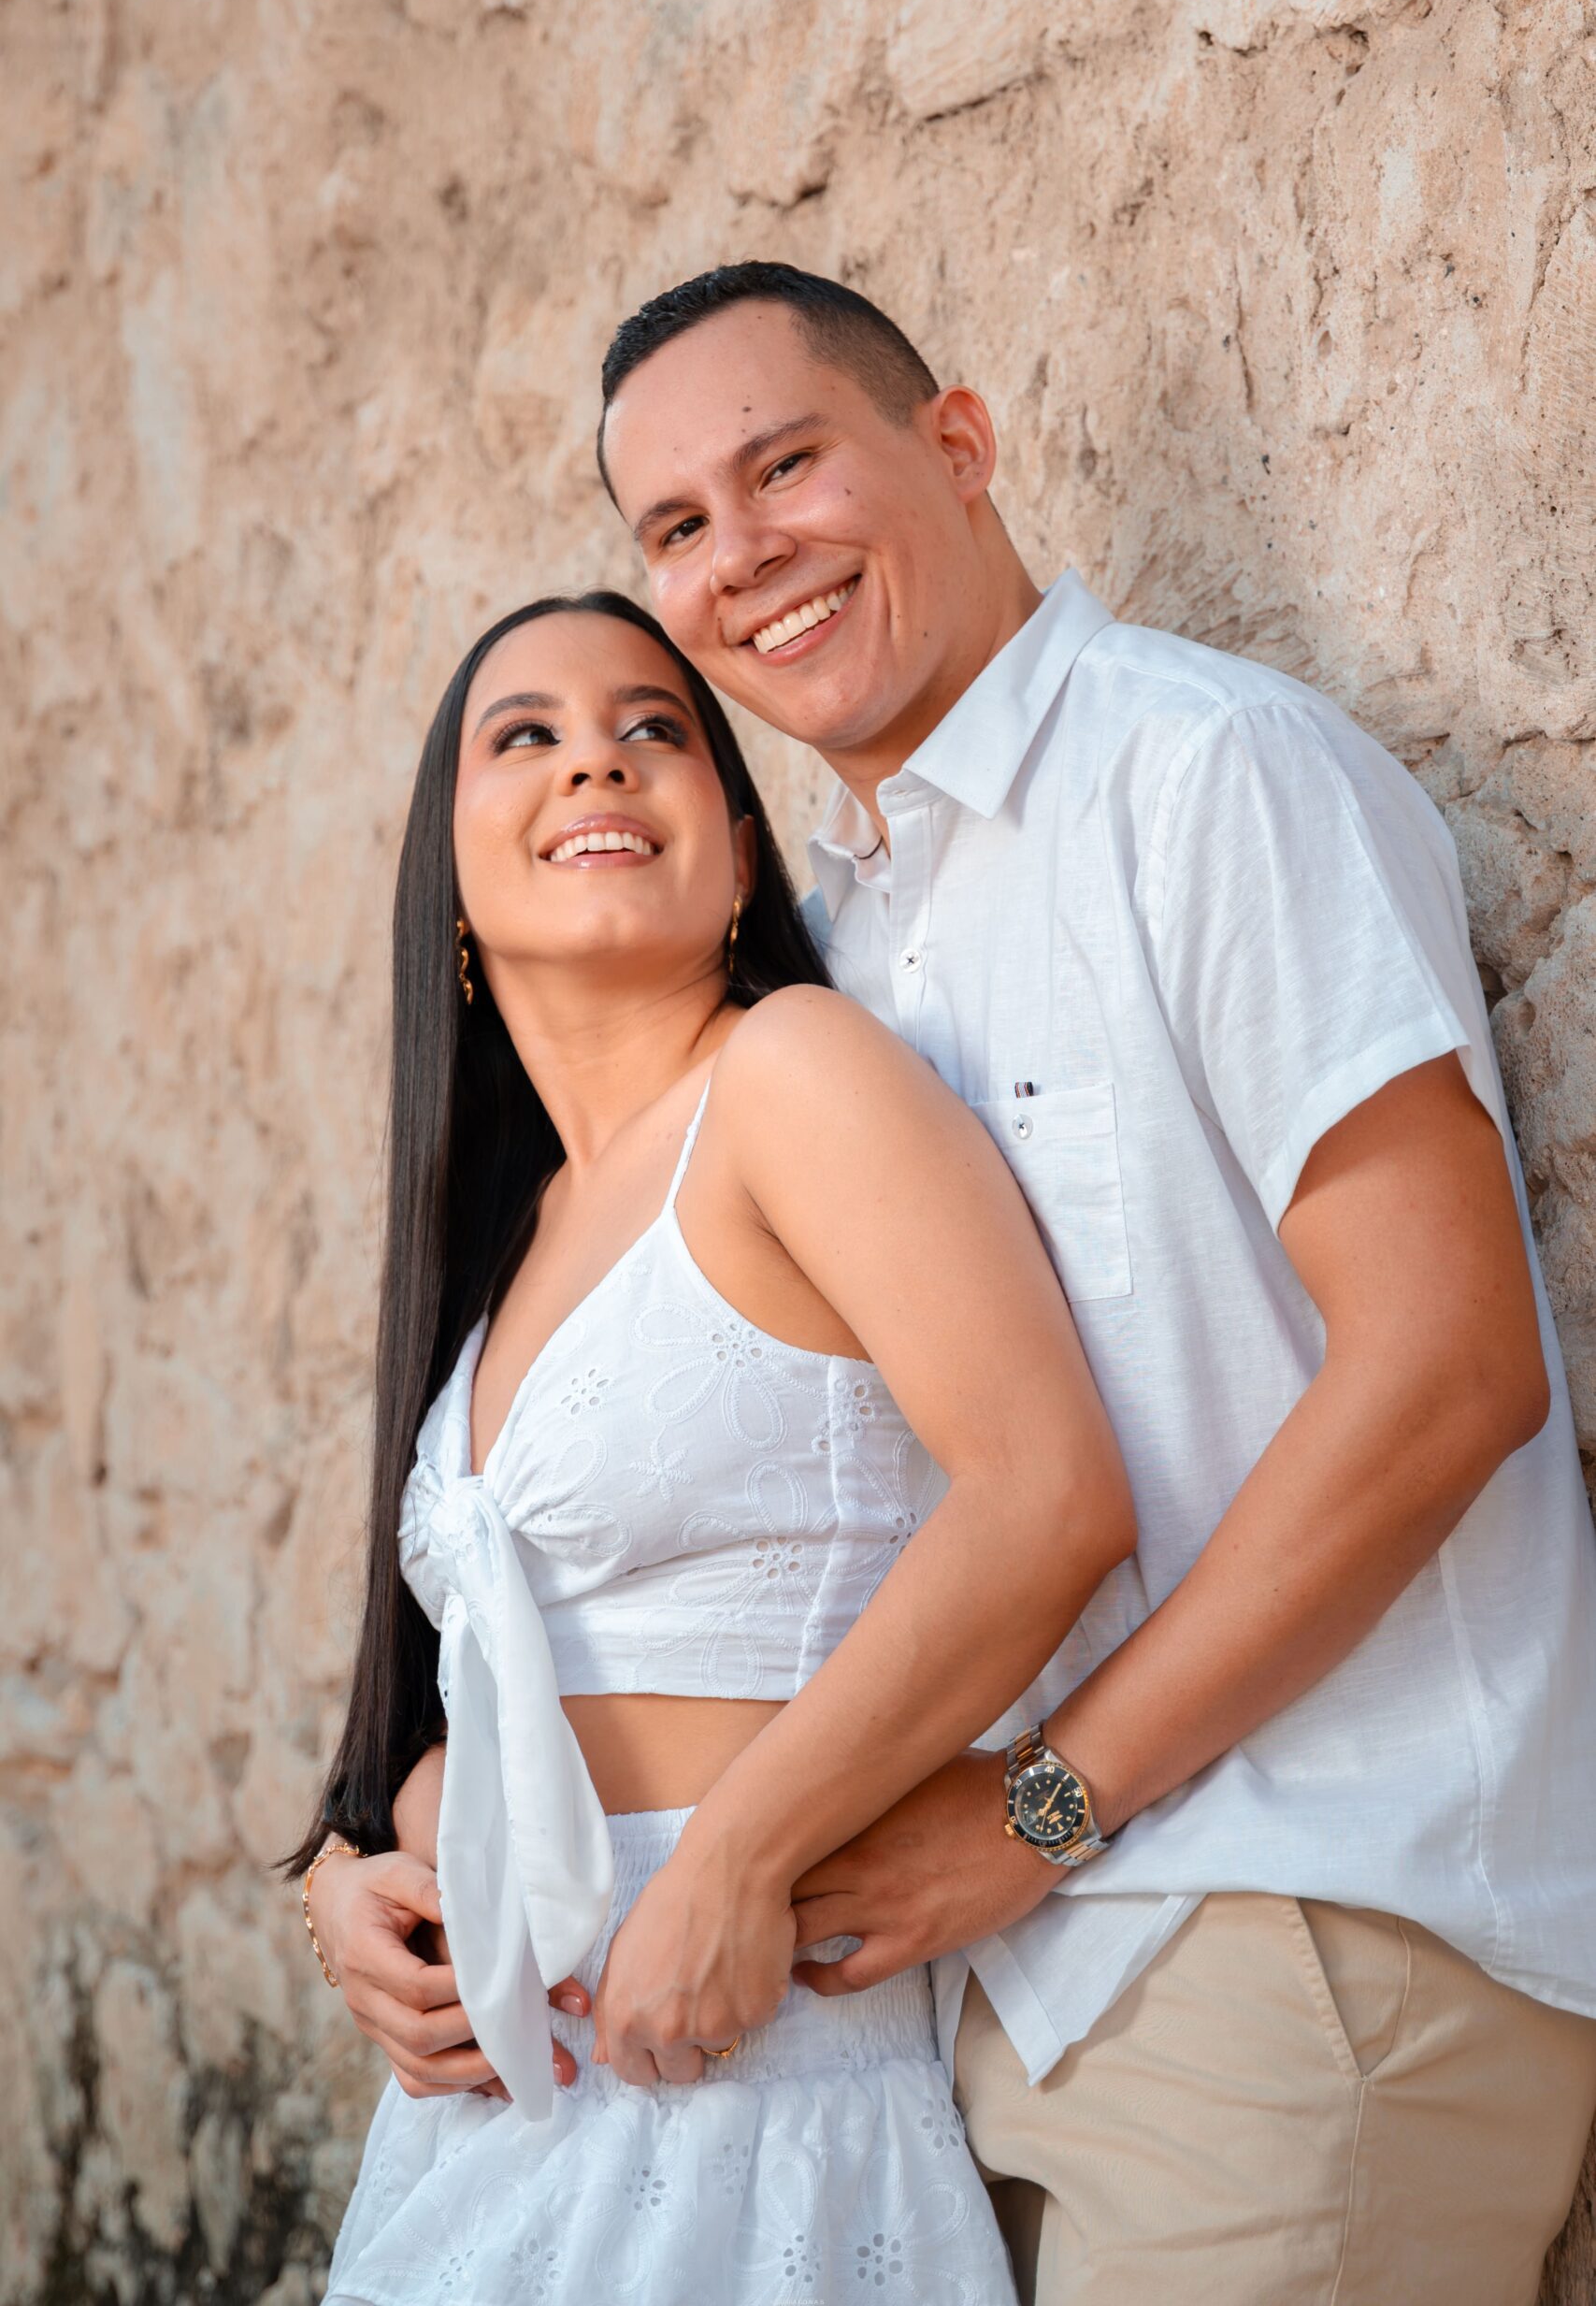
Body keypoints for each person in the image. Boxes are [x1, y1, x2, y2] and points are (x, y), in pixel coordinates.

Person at [314, 265, 1596, 2300]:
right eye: (678, 525)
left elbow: (1448, 1366)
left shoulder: (1200, 775)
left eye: (786, 466)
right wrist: (387, 1839)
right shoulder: (845, 929)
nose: (743, 554)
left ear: (961, 445)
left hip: (1300, 1918)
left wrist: (1039, 1806)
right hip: (994, 1989)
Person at [294, 587, 1135, 2305]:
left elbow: (1046, 1495)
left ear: (740, 854)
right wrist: (353, 1865)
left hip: (752, 2057)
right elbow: (486, 1675)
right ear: (448, 884)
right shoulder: (509, 1236)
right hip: (505, 2103)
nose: (595, 759)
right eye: (525, 735)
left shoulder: (788, 1075)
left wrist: (738, 1853)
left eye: (653, 728)